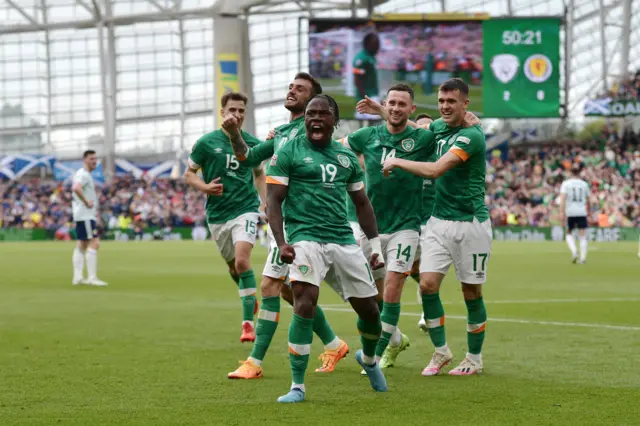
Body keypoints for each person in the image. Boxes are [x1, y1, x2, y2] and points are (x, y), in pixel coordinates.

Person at [226, 73, 348, 379]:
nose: (292, 91)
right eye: (291, 86)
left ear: (313, 102)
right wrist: (233, 134)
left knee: (271, 286)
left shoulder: (309, 134)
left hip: (304, 222)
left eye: (301, 89)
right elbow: (247, 159)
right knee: (286, 291)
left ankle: (255, 362)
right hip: (285, 222)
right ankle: (334, 343)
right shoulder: (281, 132)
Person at [267, 94, 387, 403]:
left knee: (371, 310)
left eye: (322, 114)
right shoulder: (287, 153)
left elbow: (362, 203)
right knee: (304, 301)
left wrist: (374, 246)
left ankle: (369, 359)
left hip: (342, 240)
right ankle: (297, 386)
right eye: (310, 113)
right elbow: (274, 201)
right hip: (304, 237)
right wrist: (282, 242)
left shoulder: (346, 158)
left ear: (334, 121)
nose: (315, 118)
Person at [382, 78, 490, 376]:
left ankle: (474, 358)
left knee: (471, 292)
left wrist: (397, 161)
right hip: (438, 222)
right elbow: (414, 128)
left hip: (471, 223)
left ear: (465, 104)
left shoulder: (472, 137)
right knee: (428, 285)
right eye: (441, 101)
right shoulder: (438, 128)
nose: (445, 106)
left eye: (451, 102)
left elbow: (436, 169)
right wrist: (382, 111)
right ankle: (441, 351)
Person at [342, 84, 438, 372]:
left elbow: (448, 132)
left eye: (402, 104)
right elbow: (336, 147)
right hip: (371, 228)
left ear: (411, 109)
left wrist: (382, 111)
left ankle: (374, 356)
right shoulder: (367, 136)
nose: (396, 108)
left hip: (405, 228)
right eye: (391, 103)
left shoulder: (421, 139)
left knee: (394, 288)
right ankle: (395, 340)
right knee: (375, 296)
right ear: (386, 104)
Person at [184, 92, 265, 344]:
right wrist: (205, 187)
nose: (237, 115)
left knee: (243, 262)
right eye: (232, 110)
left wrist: (265, 204)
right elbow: (189, 174)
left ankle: (248, 325)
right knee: (233, 268)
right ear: (222, 112)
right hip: (218, 215)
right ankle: (247, 295)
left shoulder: (252, 142)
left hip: (246, 209)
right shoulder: (207, 143)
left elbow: (260, 174)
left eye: (241, 111)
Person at [71, 149, 107, 286]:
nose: (94, 161)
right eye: (92, 159)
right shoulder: (84, 174)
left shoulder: (84, 174)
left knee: (81, 244)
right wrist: (86, 201)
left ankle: (78, 277)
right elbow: (76, 188)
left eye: (95, 159)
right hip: (85, 214)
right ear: (85, 160)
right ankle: (92, 278)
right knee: (94, 243)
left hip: (83, 214)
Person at [559, 164, 590, 264]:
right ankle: (583, 258)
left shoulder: (566, 184)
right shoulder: (584, 184)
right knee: (582, 235)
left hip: (570, 212)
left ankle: (574, 251)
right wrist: (588, 211)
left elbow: (563, 199)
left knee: (568, 233)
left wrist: (561, 212)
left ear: (570, 173)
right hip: (581, 211)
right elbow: (588, 200)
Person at [354, 32, 381, 120]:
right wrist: (364, 96)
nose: (378, 46)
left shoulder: (371, 56)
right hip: (367, 95)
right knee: (373, 121)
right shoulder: (361, 59)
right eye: (375, 44)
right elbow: (357, 79)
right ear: (368, 44)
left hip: (373, 93)